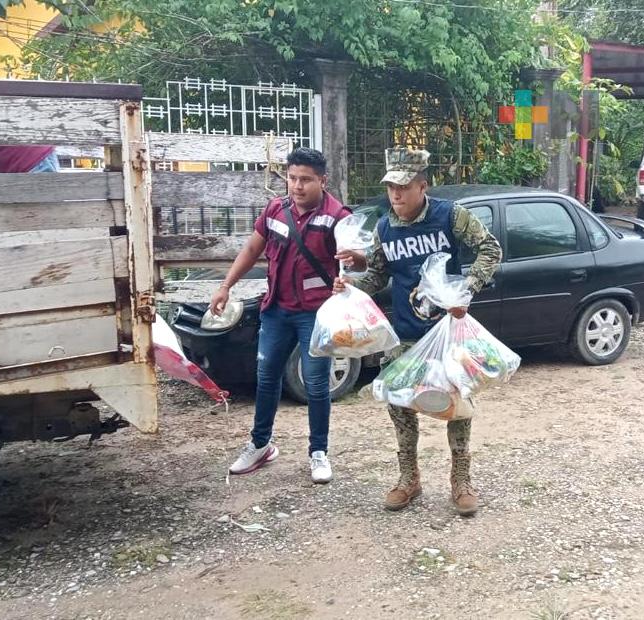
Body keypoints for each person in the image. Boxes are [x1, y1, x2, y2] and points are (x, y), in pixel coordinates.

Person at [334, 147, 502, 515]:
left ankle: (461, 481)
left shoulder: (449, 215)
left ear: (422, 186)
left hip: (448, 331)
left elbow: (491, 248)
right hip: (405, 333)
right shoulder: (384, 227)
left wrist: (467, 288)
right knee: (400, 406)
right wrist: (350, 288)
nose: (396, 194)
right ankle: (408, 479)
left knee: (457, 406)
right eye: (391, 186)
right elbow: (378, 274)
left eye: (404, 187)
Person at [210, 147, 350, 483]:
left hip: (316, 314)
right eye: (292, 178)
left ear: (322, 181)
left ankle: (319, 452)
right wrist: (225, 285)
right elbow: (251, 249)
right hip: (276, 308)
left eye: (306, 179)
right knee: (267, 376)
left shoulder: (338, 217)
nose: (297, 186)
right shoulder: (276, 209)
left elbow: (358, 261)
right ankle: (260, 445)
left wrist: (353, 264)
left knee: (316, 385)